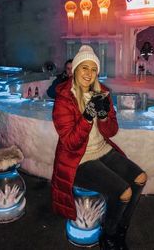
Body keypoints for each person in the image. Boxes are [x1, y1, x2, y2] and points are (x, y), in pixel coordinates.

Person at [51, 45, 147, 250]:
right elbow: (70, 143)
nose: (89, 73)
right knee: (124, 192)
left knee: (140, 178)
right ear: (75, 69)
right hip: (78, 159)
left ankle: (121, 228)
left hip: (102, 150)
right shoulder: (64, 99)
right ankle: (109, 237)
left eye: (93, 69)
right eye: (84, 67)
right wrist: (87, 116)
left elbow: (111, 131)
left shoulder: (102, 93)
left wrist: (103, 116)